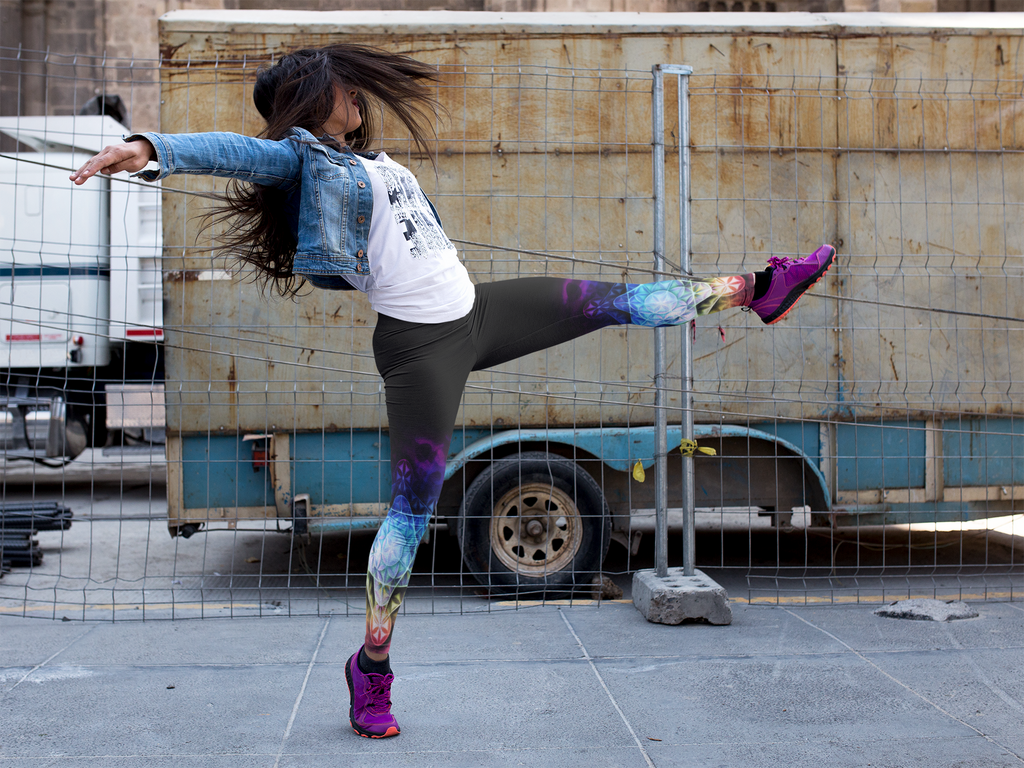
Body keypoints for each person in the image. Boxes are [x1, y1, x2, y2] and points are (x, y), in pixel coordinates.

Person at [71, 44, 837, 740]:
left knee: (619, 301)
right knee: (411, 514)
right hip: (421, 349)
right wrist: (148, 150)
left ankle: (760, 289)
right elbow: (240, 152)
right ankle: (371, 672)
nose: (357, 97)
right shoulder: (304, 160)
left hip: (477, 313)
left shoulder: (373, 164)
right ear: (315, 99)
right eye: (344, 89)